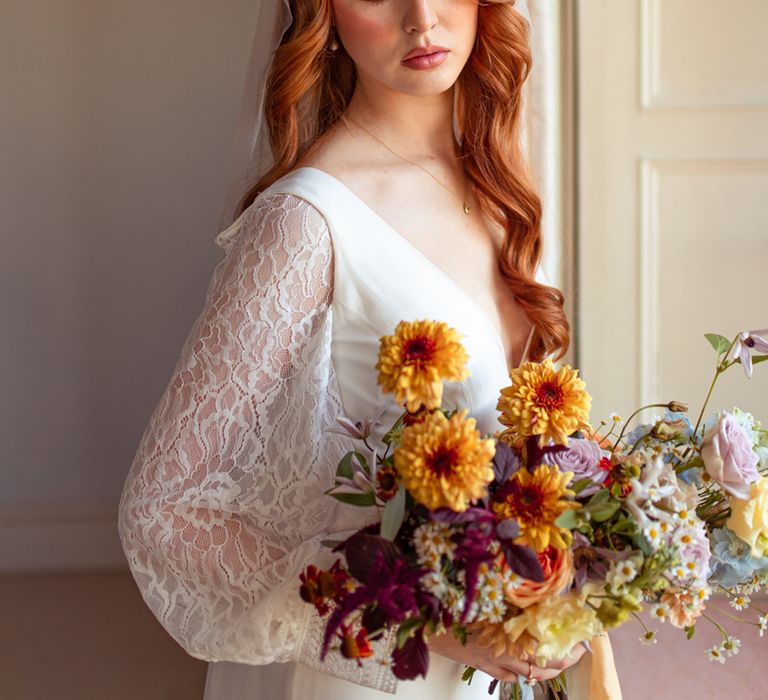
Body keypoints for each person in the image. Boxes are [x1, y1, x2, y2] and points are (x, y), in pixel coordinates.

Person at [118, 1, 619, 698]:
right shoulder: (302, 226)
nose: (421, 17)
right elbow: (162, 508)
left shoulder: (498, 182)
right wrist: (419, 620)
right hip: (374, 675)